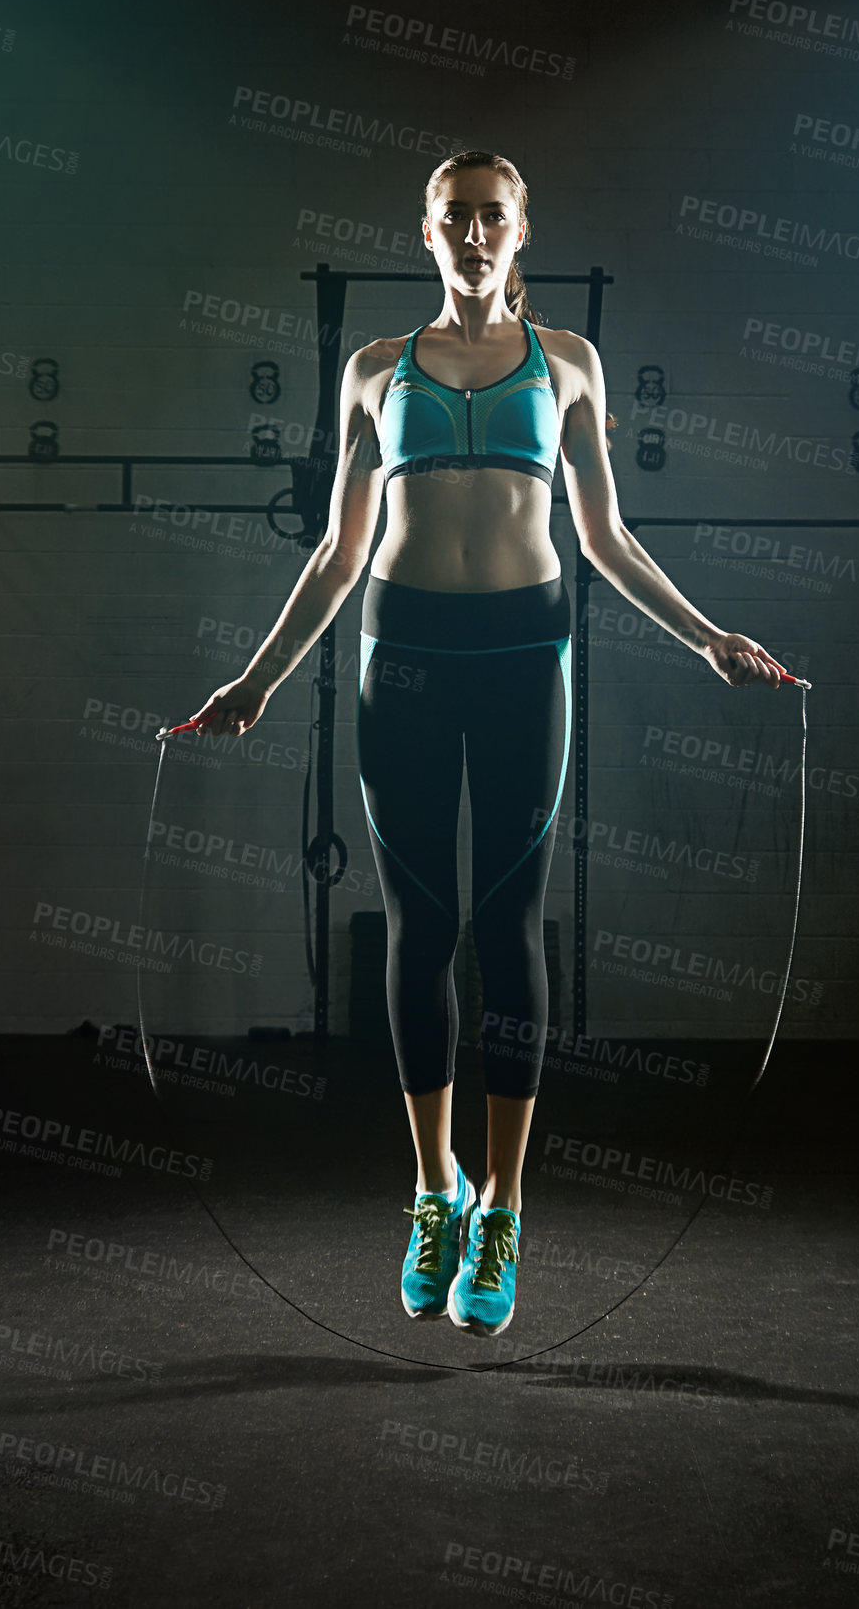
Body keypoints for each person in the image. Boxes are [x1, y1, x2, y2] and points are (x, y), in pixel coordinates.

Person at [188, 149, 788, 1338]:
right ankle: (431, 1188)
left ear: (522, 233)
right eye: (454, 215)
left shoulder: (566, 365)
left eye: (493, 217)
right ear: (425, 231)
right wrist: (256, 679)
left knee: (508, 933)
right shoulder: (372, 373)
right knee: (417, 931)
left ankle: (504, 1207)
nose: (474, 233)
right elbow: (335, 553)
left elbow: (606, 539)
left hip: (525, 662)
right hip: (396, 661)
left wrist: (707, 635)